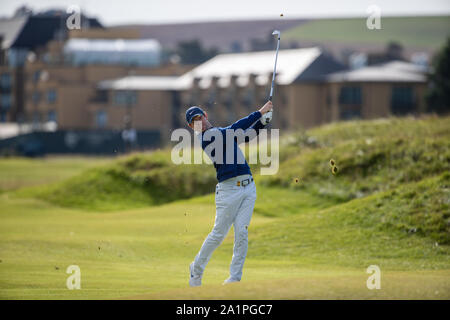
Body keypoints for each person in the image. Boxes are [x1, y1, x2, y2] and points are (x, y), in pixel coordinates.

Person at [185, 100, 273, 286]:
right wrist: (259, 112)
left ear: (205, 116)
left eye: (200, 117)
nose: (199, 122)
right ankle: (197, 268)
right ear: (191, 127)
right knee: (218, 234)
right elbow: (236, 127)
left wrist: (262, 123)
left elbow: (246, 136)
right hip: (228, 190)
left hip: (248, 187)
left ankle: (234, 278)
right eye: (194, 122)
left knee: (241, 233)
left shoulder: (222, 134)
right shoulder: (207, 138)